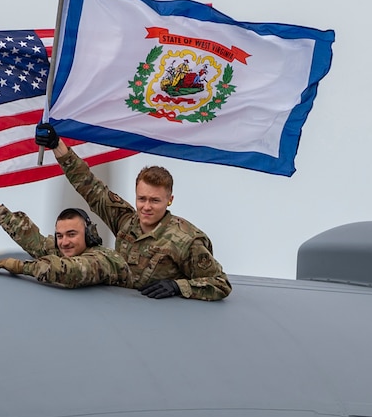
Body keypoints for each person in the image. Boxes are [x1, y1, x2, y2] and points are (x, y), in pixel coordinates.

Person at [32, 123, 231, 301]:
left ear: (170, 200)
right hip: (119, 310)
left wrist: (178, 286)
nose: (146, 207)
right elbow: (89, 186)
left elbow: (220, 284)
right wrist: (57, 146)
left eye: (155, 201)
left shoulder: (185, 240)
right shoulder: (125, 220)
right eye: (142, 199)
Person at [0, 190, 126, 289]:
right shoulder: (64, 250)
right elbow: (33, 239)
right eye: (60, 236)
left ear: (89, 234)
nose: (64, 242)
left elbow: (70, 271)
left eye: (71, 234)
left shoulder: (103, 260)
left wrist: (21, 267)